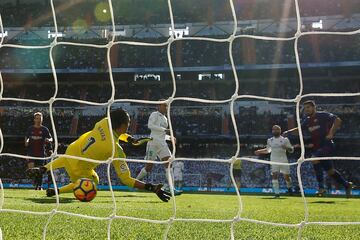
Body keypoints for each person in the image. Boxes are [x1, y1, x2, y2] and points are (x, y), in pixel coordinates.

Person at [27, 109, 171, 202]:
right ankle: (57, 191)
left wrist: (129, 138)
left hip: (70, 152)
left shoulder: (104, 121)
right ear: (121, 125)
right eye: (127, 123)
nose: (129, 125)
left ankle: (44, 168)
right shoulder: (115, 150)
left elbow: (114, 133)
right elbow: (126, 179)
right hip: (79, 171)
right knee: (93, 180)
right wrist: (151, 187)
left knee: (69, 156)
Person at [283, 100, 353, 197]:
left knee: (314, 159)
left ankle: (321, 188)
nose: (306, 109)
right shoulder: (307, 120)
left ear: (314, 107)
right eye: (305, 108)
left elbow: (338, 120)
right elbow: (299, 130)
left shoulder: (322, 115)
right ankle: (347, 185)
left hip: (327, 144)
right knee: (330, 171)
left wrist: (331, 133)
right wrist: (288, 131)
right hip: (318, 147)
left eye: (308, 107)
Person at [135, 102, 180, 195]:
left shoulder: (165, 119)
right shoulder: (154, 114)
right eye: (164, 105)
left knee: (169, 162)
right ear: (159, 106)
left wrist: (169, 138)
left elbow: (162, 134)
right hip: (153, 143)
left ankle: (171, 188)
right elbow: (150, 126)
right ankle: (135, 182)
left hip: (162, 144)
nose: (166, 107)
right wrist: (164, 130)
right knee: (148, 168)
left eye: (167, 106)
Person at [255, 125, 294, 198]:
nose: (275, 131)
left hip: (283, 160)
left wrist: (285, 147)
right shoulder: (270, 140)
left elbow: (291, 150)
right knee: (274, 175)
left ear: (280, 130)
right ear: (272, 131)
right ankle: (277, 193)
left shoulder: (285, 139)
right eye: (274, 129)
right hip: (273, 160)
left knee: (287, 177)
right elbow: (268, 150)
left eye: (277, 129)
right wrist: (259, 151)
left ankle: (289, 188)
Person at [25, 112, 53, 190]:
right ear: (34, 119)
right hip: (31, 152)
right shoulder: (30, 129)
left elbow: (51, 138)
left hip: (41, 153)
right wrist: (26, 141)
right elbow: (27, 137)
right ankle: (35, 183)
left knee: (40, 170)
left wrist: (49, 140)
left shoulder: (44, 129)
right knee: (31, 170)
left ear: (42, 119)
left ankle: (39, 186)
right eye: (37, 118)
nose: (38, 120)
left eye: (40, 118)